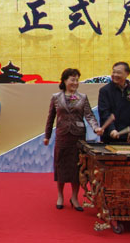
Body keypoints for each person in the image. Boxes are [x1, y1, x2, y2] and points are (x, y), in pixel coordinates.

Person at [44, 68, 102, 211]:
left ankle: (75, 197)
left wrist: (96, 128)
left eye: (77, 79)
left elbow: (89, 116)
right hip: (63, 136)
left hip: (78, 137)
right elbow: (51, 118)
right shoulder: (56, 97)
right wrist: (47, 136)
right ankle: (60, 196)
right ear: (65, 81)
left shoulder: (82, 97)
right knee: (61, 166)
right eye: (72, 79)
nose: (75, 82)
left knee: (78, 168)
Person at [98, 62, 130, 143]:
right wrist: (112, 129)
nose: (115, 75)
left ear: (127, 74)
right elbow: (104, 113)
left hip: (127, 137)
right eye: (113, 72)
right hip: (109, 136)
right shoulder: (105, 91)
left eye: (118, 72)